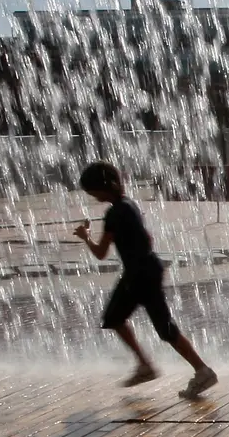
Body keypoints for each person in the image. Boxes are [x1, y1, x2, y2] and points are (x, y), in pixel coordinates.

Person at [74, 161, 218, 398]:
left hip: (139, 275)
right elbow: (147, 239)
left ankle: (197, 370)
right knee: (116, 318)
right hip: (147, 269)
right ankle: (150, 365)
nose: (91, 195)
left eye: (92, 191)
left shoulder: (114, 213)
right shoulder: (129, 205)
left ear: (103, 187)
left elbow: (100, 254)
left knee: (156, 326)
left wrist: (85, 236)